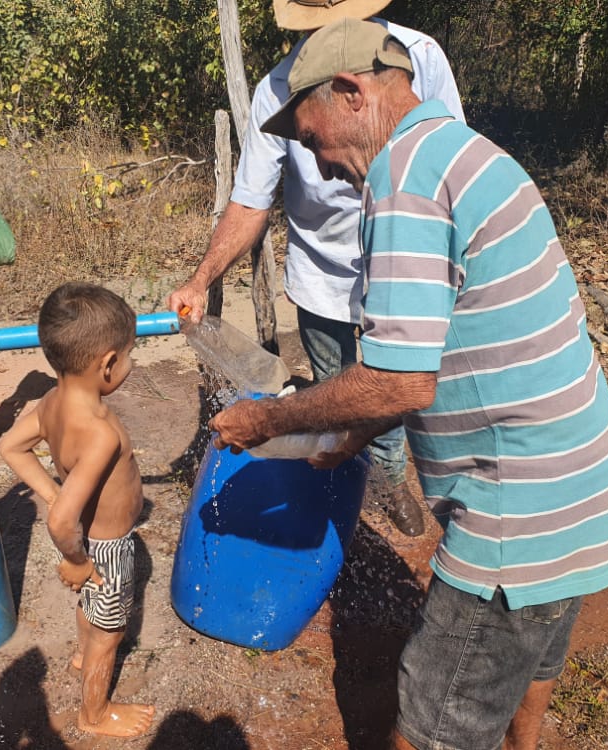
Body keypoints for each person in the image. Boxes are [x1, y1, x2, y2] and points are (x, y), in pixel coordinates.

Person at [210, 18, 608, 750]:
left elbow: (399, 380)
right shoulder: (462, 152)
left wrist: (268, 423)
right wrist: (356, 433)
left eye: (312, 139)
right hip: (580, 483)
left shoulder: (404, 180)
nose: (315, 166)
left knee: (435, 723)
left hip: (515, 517)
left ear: (351, 93)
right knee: (529, 663)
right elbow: (435, 351)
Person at [168, 0, 465, 537]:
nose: (327, 167)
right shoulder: (277, 89)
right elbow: (251, 200)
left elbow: (448, 157)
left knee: (391, 383)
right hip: (321, 271)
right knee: (339, 393)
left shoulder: (419, 57)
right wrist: (201, 277)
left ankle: (392, 479)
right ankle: (349, 487)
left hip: (407, 263)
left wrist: (267, 421)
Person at [0, 282, 155, 738]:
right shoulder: (100, 432)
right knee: (111, 632)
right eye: (129, 354)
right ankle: (95, 714)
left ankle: (81, 656)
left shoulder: (50, 402)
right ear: (107, 363)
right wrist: (78, 561)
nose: (130, 362)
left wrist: (52, 493)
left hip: (92, 541)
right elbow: (63, 521)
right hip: (104, 548)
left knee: (93, 611)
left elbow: (12, 447)